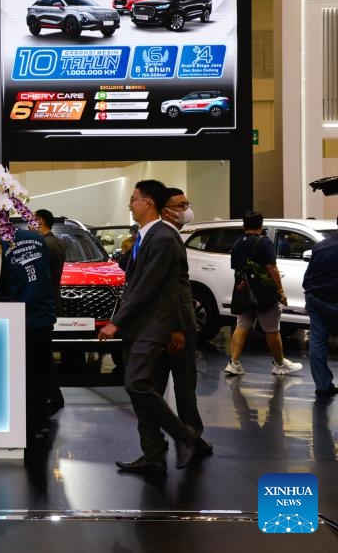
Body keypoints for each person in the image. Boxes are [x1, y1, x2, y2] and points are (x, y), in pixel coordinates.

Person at [98, 180, 204, 473]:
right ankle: (154, 453)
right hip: (139, 326)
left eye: (133, 199)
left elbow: (148, 287)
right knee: (140, 388)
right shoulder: (146, 237)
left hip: (152, 325)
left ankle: (185, 435)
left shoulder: (162, 239)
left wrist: (115, 324)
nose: (129, 204)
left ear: (148, 203)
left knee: (139, 383)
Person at [0, 224, 57, 448]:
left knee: (14, 375)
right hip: (42, 314)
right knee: (39, 373)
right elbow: (50, 273)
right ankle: (37, 423)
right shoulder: (36, 237)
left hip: (15, 316)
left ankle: (19, 425)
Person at [157, 188, 211, 450]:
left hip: (174, 325)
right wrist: (177, 327)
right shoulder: (166, 237)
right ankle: (187, 437)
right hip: (175, 326)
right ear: (165, 208)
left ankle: (188, 437)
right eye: (180, 205)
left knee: (184, 385)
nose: (186, 209)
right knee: (181, 385)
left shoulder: (169, 236)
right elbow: (171, 288)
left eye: (186, 203)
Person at [224, 211, 302, 377]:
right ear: (261, 224)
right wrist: (281, 291)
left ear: (244, 225)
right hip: (263, 293)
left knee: (242, 324)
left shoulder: (238, 243)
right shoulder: (263, 242)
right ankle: (280, 364)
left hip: (243, 290)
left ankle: (233, 362)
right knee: (272, 329)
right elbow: (272, 268)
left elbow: (236, 267)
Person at [34, 209, 66, 415]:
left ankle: (53, 393)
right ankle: (53, 392)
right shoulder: (59, 242)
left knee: (45, 351)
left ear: (40, 221)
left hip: (47, 300)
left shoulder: (45, 244)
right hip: (54, 297)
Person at [302, 220, 338, 397]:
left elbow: (307, 277)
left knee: (317, 341)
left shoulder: (321, 246)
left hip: (316, 299)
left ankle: (323, 385)